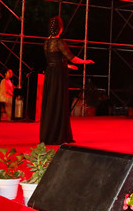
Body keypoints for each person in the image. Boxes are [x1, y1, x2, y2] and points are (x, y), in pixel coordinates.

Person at [40, 16, 94, 145]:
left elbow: (53, 60)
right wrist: (85, 62)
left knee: (51, 103)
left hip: (50, 73)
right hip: (58, 75)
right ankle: (57, 136)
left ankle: (48, 135)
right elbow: (72, 57)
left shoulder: (46, 42)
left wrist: (67, 66)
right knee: (58, 103)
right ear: (60, 28)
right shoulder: (59, 42)